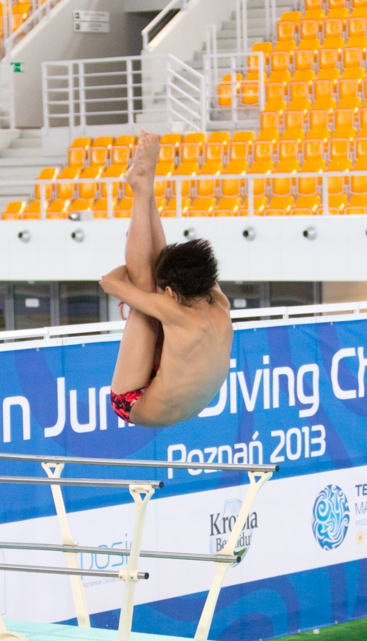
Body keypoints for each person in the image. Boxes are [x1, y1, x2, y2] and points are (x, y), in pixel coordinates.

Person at [99, 131, 233, 429]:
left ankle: (143, 189)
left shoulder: (174, 312)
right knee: (150, 285)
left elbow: (109, 282)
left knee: (145, 287)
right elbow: (165, 275)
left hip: (135, 402)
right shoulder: (219, 302)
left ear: (172, 293)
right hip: (183, 399)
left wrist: (132, 282)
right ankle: (144, 189)